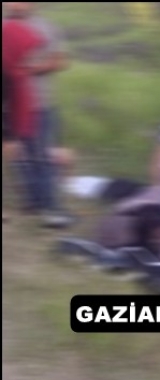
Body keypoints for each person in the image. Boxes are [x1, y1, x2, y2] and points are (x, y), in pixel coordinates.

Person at [4, 2, 73, 228]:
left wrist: (31, 69)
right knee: (19, 157)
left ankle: (51, 207)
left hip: (39, 103)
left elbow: (60, 61)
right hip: (9, 104)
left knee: (42, 156)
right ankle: (33, 200)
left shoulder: (46, 27)